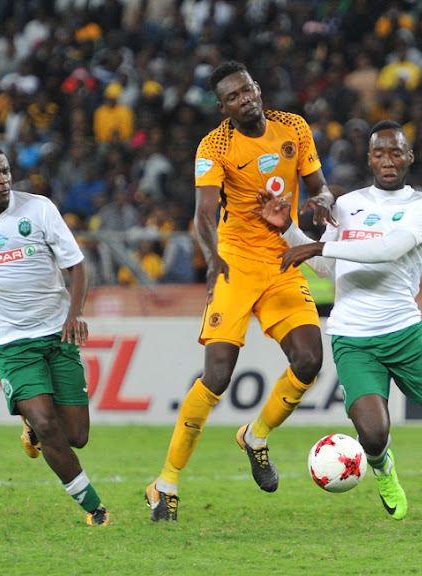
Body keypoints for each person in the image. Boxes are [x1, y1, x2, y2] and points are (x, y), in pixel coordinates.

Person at [254, 120, 422, 523]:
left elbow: (388, 250)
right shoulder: (346, 205)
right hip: (353, 338)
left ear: (409, 157)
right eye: (379, 153)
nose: (388, 160)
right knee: (373, 435)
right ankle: (382, 469)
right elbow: (328, 267)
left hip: (406, 334)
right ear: (369, 159)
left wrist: (315, 245)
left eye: (396, 152)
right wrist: (289, 230)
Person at [145, 61, 335, 522]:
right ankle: (164, 483)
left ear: (258, 88)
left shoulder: (294, 127)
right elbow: (204, 214)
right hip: (235, 262)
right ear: (223, 106)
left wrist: (323, 201)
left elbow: (320, 187)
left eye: (247, 89)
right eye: (232, 96)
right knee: (217, 376)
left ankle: (256, 435)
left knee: (310, 359)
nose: (243, 98)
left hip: (283, 259)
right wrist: (213, 260)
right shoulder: (215, 146)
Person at [0, 141, 110, 526]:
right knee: (49, 426)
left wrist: (74, 315)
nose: (3, 180)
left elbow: (78, 267)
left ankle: (30, 426)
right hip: (12, 343)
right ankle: (95, 508)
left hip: (57, 335)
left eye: (6, 171)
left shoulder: (39, 209)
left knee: (76, 435)